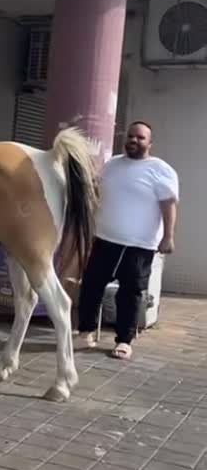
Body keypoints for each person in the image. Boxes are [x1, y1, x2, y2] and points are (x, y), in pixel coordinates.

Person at [77, 121, 179, 360]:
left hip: (139, 245)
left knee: (130, 293)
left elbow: (169, 205)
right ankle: (86, 330)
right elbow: (97, 191)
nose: (134, 140)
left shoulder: (160, 170)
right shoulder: (112, 164)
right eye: (131, 136)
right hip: (105, 239)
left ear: (150, 143)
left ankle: (124, 340)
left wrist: (169, 236)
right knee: (91, 285)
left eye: (140, 138)